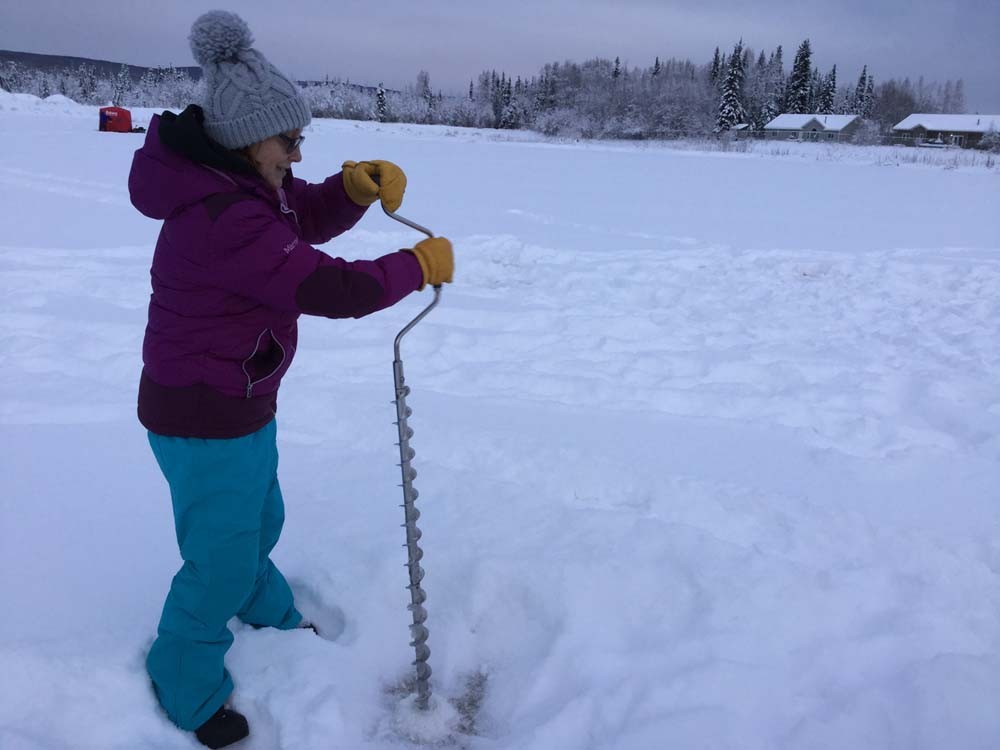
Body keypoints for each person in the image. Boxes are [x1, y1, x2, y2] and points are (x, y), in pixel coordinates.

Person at [128, 10, 454, 749]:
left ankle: (261, 597)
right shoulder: (222, 216)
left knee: (257, 517)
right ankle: (183, 677)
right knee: (217, 555)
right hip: (201, 413)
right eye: (290, 141)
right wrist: (414, 266)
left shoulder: (244, 187)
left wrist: (350, 189)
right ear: (247, 139)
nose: (298, 153)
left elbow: (298, 212)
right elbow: (328, 288)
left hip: (236, 399)